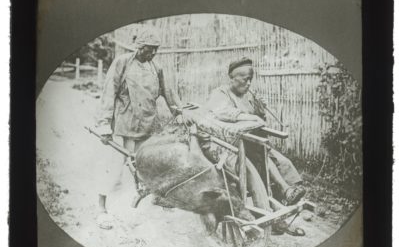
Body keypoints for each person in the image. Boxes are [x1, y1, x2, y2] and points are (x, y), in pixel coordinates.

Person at [94, 27, 188, 229]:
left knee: (148, 165)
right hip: (123, 125)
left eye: (156, 49)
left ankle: (155, 198)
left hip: (147, 125)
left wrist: (180, 113)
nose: (153, 53)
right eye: (150, 49)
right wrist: (104, 124)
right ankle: (101, 209)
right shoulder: (122, 63)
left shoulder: (156, 68)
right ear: (140, 47)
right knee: (113, 168)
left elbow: (169, 93)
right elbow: (109, 92)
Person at [205, 57, 306, 208]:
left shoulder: (248, 96)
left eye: (250, 80)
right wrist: (251, 117)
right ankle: (283, 193)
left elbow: (260, 120)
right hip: (231, 146)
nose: (249, 83)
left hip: (253, 143)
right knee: (261, 162)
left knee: (284, 163)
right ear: (233, 78)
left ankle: (284, 198)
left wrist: (260, 110)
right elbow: (223, 112)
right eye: (245, 79)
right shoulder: (220, 93)